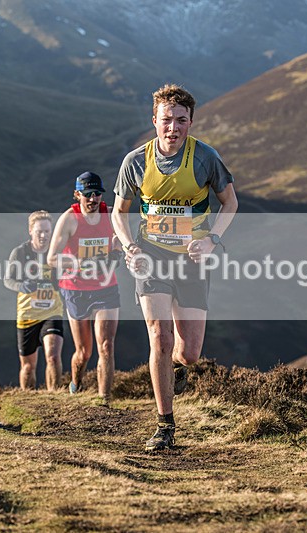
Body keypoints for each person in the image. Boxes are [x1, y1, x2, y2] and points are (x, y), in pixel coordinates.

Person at [111, 84, 238, 451]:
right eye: (167, 120)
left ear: (190, 122)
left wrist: (212, 238)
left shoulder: (205, 158)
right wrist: (130, 246)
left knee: (190, 351)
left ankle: (178, 370)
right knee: (160, 337)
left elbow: (229, 203)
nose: (173, 128)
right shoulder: (135, 161)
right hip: (151, 256)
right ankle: (164, 425)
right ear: (154, 121)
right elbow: (119, 213)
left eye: (181, 120)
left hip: (192, 260)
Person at [48, 172, 122, 404]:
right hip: (75, 289)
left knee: (107, 346)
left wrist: (116, 253)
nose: (93, 199)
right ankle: (76, 383)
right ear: (77, 194)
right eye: (87, 194)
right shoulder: (69, 219)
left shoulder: (110, 214)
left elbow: (121, 239)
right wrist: (78, 263)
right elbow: (52, 258)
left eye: (97, 194)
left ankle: (104, 399)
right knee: (83, 353)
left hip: (106, 287)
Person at [4, 210, 65, 391]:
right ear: (31, 231)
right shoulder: (20, 253)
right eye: (40, 231)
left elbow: (68, 274)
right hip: (27, 313)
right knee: (28, 367)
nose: (44, 235)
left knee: (53, 356)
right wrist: (22, 286)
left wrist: (60, 284)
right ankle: (27, 400)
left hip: (52, 310)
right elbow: (8, 280)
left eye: (47, 231)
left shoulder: (56, 252)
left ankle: (54, 399)